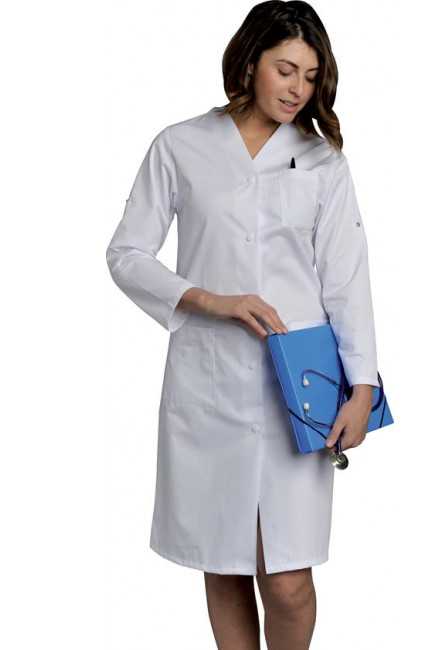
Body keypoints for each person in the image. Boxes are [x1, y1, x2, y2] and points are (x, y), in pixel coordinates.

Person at [106, 1, 380, 647]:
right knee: (223, 561)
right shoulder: (181, 145)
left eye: (310, 76)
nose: (297, 89)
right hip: (208, 383)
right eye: (285, 69)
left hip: (300, 389)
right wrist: (208, 299)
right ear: (250, 61)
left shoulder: (322, 162)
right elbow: (127, 253)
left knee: (287, 580)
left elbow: (346, 279)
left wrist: (363, 387)